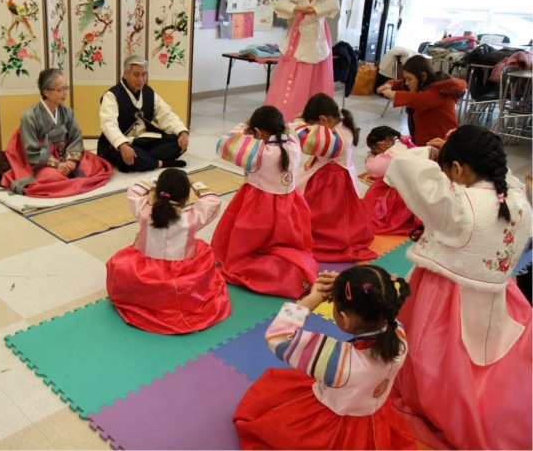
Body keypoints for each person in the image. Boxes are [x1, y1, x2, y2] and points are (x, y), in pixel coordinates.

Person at [384, 125, 532, 450]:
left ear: (457, 169)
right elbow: (503, 173)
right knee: (488, 354)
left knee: (432, 353)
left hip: (444, 292)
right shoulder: (518, 198)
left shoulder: (460, 206)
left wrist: (430, 151)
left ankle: (438, 404)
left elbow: (403, 166)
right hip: (497, 294)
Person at [233, 265, 417, 450]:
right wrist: (344, 285)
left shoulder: (338, 363)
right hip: (371, 419)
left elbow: (278, 336)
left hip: (330, 428)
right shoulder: (398, 335)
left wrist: (312, 300)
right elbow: (373, 300)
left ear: (345, 319)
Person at [106, 168, 230, 335]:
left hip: (145, 272)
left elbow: (134, 191)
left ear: (157, 193)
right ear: (185, 199)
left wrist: (156, 179)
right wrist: (194, 182)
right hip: (180, 276)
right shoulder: (191, 220)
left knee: (119, 265)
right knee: (204, 253)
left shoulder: (145, 213)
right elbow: (212, 201)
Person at [211, 105, 318, 299]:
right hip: (290, 206)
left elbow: (224, 143)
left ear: (258, 132)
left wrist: (245, 125)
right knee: (284, 243)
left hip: (260, 207)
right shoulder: (293, 144)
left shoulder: (258, 153)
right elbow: (292, 127)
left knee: (247, 247)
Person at [1, 68, 113, 197]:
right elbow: (32, 151)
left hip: (65, 152)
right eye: (60, 90)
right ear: (46, 92)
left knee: (92, 166)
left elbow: (75, 137)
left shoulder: (67, 111)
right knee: (51, 178)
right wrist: (58, 165)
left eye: (66, 88)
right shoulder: (29, 116)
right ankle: (61, 176)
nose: (64, 93)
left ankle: (68, 172)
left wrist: (71, 161)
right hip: (42, 160)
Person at [295, 93, 377, 262]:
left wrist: (297, 124)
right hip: (328, 172)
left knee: (327, 212)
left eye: (312, 125)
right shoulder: (340, 124)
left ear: (323, 120)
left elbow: (305, 139)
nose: (310, 128)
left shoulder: (339, 137)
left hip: (333, 179)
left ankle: (327, 236)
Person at [264, 0, 340, 122]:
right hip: (297, 47)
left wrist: (315, 9)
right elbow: (279, 3)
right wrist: (297, 8)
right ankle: (289, 114)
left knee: (317, 83)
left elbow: (334, 3)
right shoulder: (297, 0)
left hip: (318, 47)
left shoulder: (324, 0)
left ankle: (316, 116)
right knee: (295, 85)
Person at [98, 55, 189, 172]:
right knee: (126, 154)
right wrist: (122, 145)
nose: (141, 79)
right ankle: (160, 163)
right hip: (122, 142)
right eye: (136, 75)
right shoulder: (112, 95)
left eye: (144, 74)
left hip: (143, 140)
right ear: (125, 74)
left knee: (177, 142)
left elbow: (166, 114)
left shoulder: (148, 92)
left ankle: (145, 161)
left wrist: (182, 132)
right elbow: (108, 124)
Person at [376, 54, 466, 146]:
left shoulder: (441, 92)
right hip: (426, 142)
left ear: (423, 76)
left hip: (442, 144)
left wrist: (392, 94)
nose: (406, 83)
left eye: (409, 79)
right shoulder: (424, 84)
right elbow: (400, 83)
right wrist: (389, 85)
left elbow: (417, 99)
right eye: (405, 79)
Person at [362, 126, 421, 235]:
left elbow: (373, 169)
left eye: (376, 151)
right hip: (416, 189)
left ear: (382, 144)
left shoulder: (391, 156)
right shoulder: (406, 144)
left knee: (376, 190)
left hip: (401, 194)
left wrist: (370, 157)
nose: (377, 155)